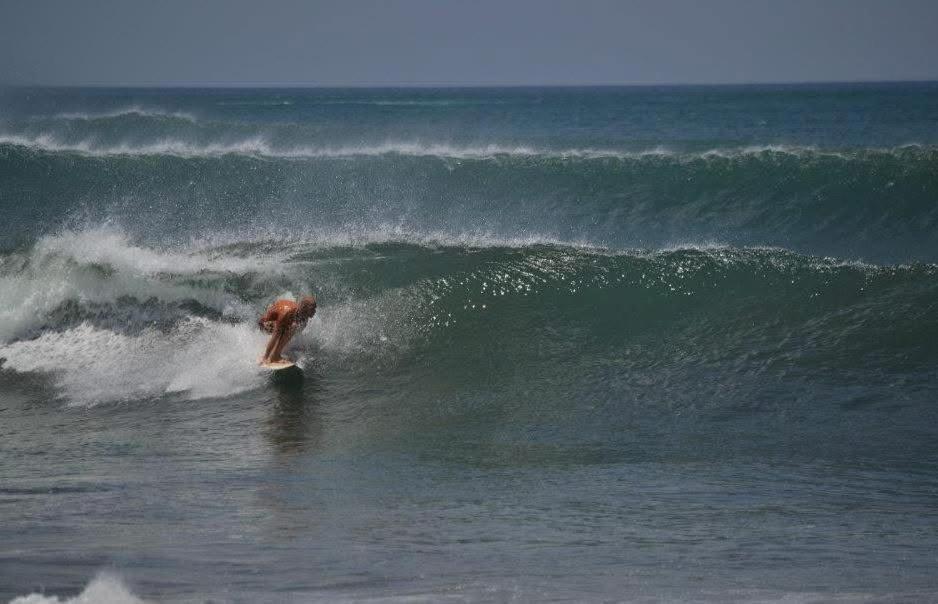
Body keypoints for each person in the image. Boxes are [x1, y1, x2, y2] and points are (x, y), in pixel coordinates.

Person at [258, 295, 317, 364]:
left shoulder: (303, 315)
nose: (315, 311)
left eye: (315, 308)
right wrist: (265, 357)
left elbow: (298, 330)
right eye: (312, 309)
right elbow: (275, 336)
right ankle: (274, 356)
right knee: (291, 328)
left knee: (294, 326)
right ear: (305, 308)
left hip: (280, 320)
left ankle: (275, 350)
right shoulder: (287, 313)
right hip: (264, 324)